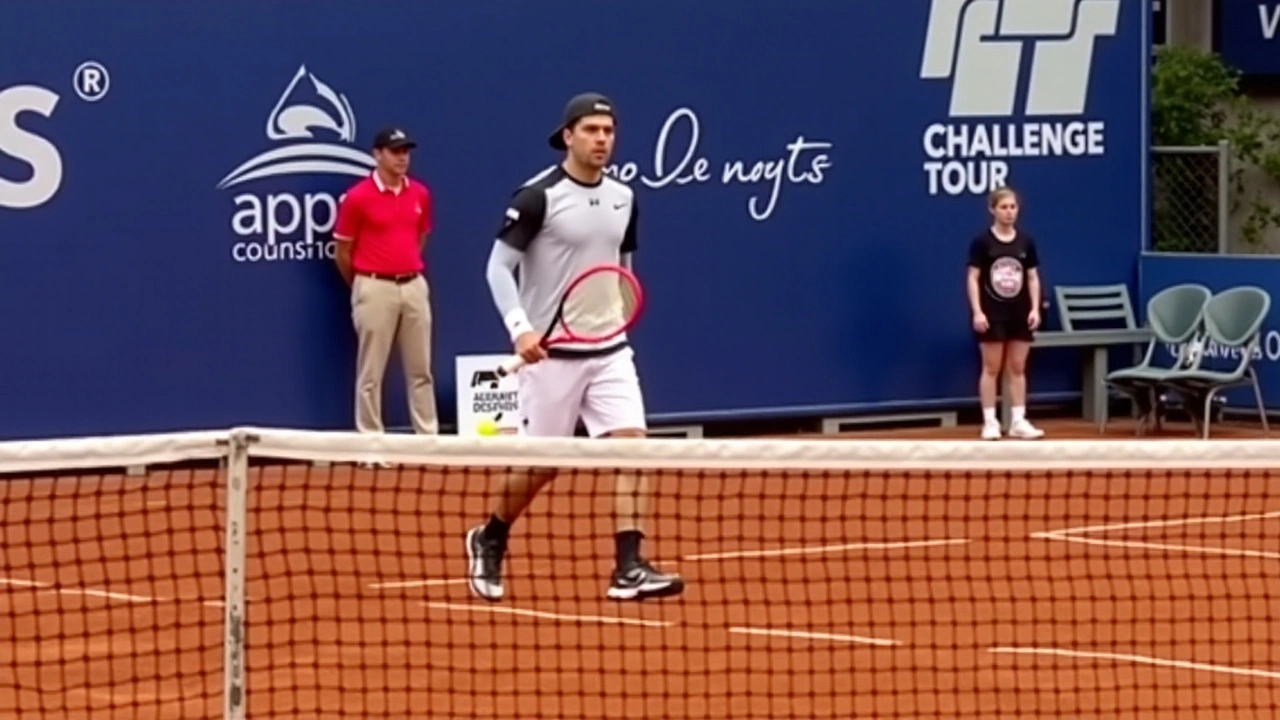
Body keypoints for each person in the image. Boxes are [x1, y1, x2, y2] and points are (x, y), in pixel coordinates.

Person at [464, 92, 684, 603]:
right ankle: (491, 534)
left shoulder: (625, 198)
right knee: (541, 467)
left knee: (633, 448)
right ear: (568, 136)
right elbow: (497, 268)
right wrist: (521, 328)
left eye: (608, 131)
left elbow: (621, 267)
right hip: (550, 356)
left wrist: (618, 309)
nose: (601, 139)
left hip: (609, 350)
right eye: (590, 130)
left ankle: (628, 566)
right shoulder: (536, 196)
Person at [332, 127, 438, 437]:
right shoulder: (357, 198)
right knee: (371, 373)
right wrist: (365, 283)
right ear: (377, 154)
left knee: (421, 370)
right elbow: (343, 251)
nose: (402, 157)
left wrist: (404, 268)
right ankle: (371, 443)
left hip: (414, 286)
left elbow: (421, 236)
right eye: (395, 151)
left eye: (406, 151)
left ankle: (428, 441)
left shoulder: (420, 193)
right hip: (373, 287)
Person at [966, 186, 1045, 441]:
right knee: (991, 368)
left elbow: (1032, 277)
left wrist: (1034, 308)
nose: (1009, 212)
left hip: (1020, 313)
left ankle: (1018, 421)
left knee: (1018, 367)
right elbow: (973, 278)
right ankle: (990, 422)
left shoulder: (1026, 242)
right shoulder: (982, 243)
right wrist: (978, 312)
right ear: (992, 210)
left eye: (1013, 207)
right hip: (992, 313)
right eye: (1004, 207)